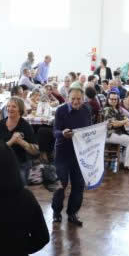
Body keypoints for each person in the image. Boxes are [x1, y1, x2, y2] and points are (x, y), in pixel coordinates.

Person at [51, 87, 90, 226]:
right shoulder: (60, 110)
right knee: (61, 185)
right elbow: (54, 132)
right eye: (73, 98)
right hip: (62, 152)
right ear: (67, 98)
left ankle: (72, 213)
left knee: (78, 185)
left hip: (80, 154)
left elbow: (89, 130)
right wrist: (62, 133)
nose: (76, 101)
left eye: (79, 99)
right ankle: (56, 212)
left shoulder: (86, 110)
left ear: (83, 99)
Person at [0, 97, 39, 184]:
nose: (10, 109)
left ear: (20, 109)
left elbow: (35, 151)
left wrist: (22, 142)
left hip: (20, 164)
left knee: (19, 192)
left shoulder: (26, 126)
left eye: (13, 106)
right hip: (1, 164)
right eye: (8, 106)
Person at [101, 92, 129, 172]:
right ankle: (128, 165)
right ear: (108, 99)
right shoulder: (107, 109)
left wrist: (126, 120)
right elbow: (114, 124)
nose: (114, 100)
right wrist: (125, 121)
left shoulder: (117, 109)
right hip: (109, 134)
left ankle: (124, 161)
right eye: (111, 99)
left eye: (115, 99)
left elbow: (125, 118)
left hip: (117, 132)